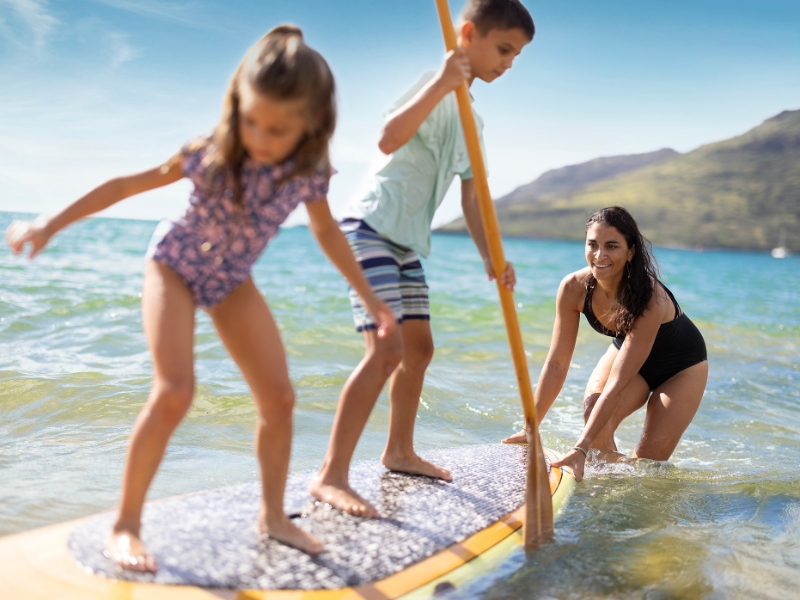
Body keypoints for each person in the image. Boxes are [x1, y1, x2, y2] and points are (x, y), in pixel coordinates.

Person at [6, 26, 396, 570]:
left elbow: (328, 234)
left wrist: (373, 301)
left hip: (232, 277)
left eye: (277, 128)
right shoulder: (211, 151)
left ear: (312, 124)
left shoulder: (310, 174)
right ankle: (124, 525)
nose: (259, 136)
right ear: (236, 105)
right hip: (175, 263)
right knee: (175, 392)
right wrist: (50, 224)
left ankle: (273, 517)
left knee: (280, 399)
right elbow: (125, 187)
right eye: (250, 119)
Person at [309, 0, 535, 518]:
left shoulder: (472, 120)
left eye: (516, 56)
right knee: (385, 349)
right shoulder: (430, 85)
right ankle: (330, 475)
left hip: (406, 242)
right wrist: (440, 82)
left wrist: (490, 257)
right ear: (469, 33)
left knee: (420, 348)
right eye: (503, 49)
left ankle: (399, 451)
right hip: (369, 229)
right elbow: (388, 137)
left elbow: (473, 196)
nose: (507, 63)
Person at [502, 207, 708, 482]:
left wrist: (580, 448)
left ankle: (627, 485)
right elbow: (556, 364)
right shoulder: (573, 288)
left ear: (631, 251)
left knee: (647, 464)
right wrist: (531, 426)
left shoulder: (649, 297)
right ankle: (611, 483)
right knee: (594, 413)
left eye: (612, 246)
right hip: (629, 353)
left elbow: (618, 383)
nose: (600, 256)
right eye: (592, 245)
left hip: (682, 367)